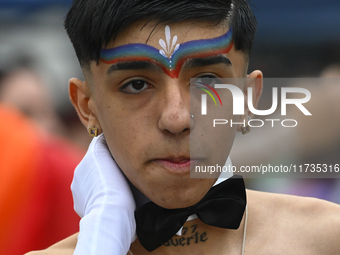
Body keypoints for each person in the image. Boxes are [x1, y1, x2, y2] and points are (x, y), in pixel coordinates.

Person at [26, 0, 340, 254]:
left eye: (207, 80)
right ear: (86, 106)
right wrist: (102, 241)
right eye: (136, 85)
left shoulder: (328, 238)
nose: (176, 119)